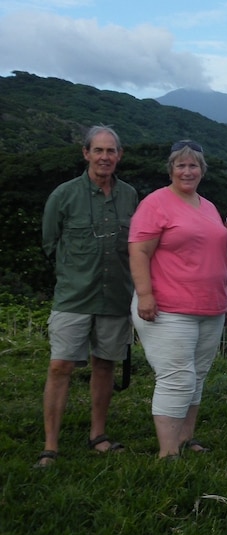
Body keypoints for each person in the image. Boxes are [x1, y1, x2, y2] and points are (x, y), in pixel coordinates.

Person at [35, 125, 139, 468]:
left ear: (119, 156)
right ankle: (51, 445)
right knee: (60, 365)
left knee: (104, 365)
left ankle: (98, 434)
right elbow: (50, 243)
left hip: (115, 296)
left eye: (111, 151)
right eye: (99, 150)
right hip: (74, 296)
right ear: (86, 153)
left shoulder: (129, 196)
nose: (105, 157)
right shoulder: (63, 195)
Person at [129, 140, 227, 459]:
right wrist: (145, 295)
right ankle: (168, 452)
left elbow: (220, 255)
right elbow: (139, 250)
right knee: (177, 377)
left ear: (202, 170)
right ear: (171, 169)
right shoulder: (156, 203)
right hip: (168, 309)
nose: (187, 171)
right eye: (181, 165)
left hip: (211, 306)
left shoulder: (208, 206)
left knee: (196, 376)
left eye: (193, 166)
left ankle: (185, 439)